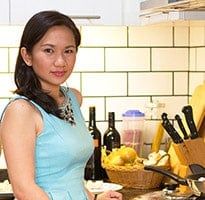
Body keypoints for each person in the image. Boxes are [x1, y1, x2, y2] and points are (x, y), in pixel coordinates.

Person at [0, 10, 122, 200]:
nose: (61, 61)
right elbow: (24, 190)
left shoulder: (73, 98)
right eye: (49, 50)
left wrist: (95, 199)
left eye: (68, 51)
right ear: (27, 56)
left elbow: (70, 179)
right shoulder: (21, 111)